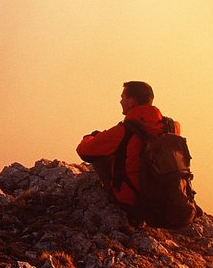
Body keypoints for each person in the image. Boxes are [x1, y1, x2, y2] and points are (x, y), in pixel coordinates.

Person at [76, 81, 180, 224]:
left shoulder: (125, 131)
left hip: (134, 202)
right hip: (169, 199)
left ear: (131, 102)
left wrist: (91, 137)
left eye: (122, 97)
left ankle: (128, 209)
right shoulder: (173, 127)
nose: (120, 101)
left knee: (100, 152)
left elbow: (84, 151)